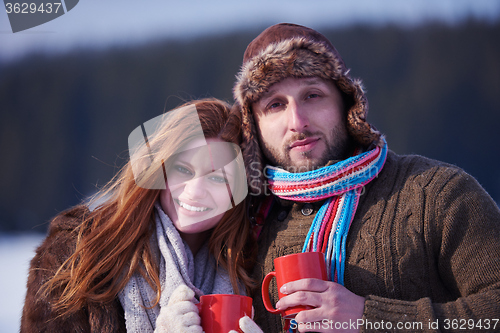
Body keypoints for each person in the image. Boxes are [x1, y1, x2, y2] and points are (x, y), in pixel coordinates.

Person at [232, 23, 500, 332]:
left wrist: (368, 317)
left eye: (313, 95)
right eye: (275, 104)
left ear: (346, 103)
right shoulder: (241, 224)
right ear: (254, 123)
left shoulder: (436, 193)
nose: (297, 122)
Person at [20, 98, 258, 333]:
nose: (194, 191)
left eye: (217, 178)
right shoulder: (75, 252)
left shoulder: (251, 267)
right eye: (183, 169)